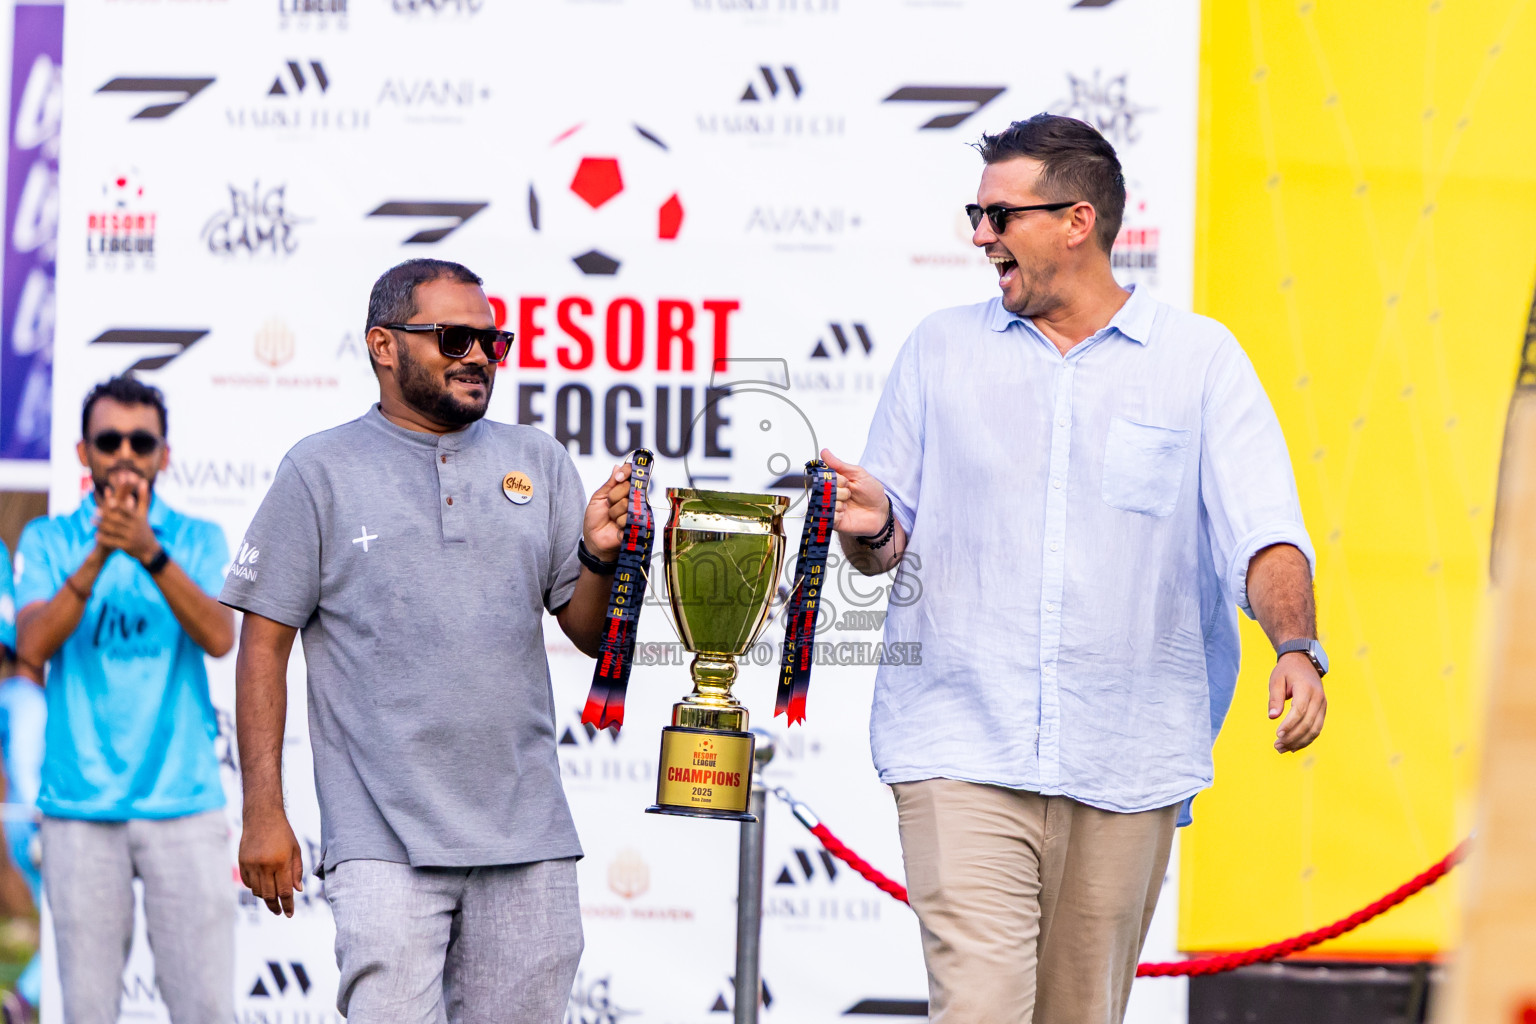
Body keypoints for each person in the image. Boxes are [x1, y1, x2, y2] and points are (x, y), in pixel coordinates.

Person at [823, 113, 1328, 1024]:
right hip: (958, 748)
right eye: (975, 214)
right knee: (979, 1011)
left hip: (1129, 758)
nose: (980, 235)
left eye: (999, 216)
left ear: (1078, 221)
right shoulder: (938, 350)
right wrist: (870, 527)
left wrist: (1297, 643)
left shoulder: (1201, 360)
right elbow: (884, 537)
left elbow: (1264, 535)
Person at [223, 258, 629, 1024]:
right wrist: (264, 812)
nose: (478, 356)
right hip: (383, 841)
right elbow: (264, 644)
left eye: (491, 340)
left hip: (529, 838)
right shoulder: (319, 470)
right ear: (384, 345)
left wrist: (600, 555)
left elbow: (586, 630)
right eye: (453, 338)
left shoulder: (538, 461)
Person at [14, 375, 236, 1024]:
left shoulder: (197, 538)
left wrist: (149, 553)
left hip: (184, 802)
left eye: (142, 441)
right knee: (87, 1011)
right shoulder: (50, 540)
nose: (125, 454)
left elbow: (222, 637)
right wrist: (99, 555)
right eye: (109, 440)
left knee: (206, 1010)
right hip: (79, 806)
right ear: (83, 452)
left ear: (165, 454)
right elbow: (32, 644)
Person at [0, 541, 45, 1024]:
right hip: (31, 822)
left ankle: (25, 1000)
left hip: (29, 822)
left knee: (67, 916)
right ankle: (26, 1000)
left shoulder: (18, 701)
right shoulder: (20, 701)